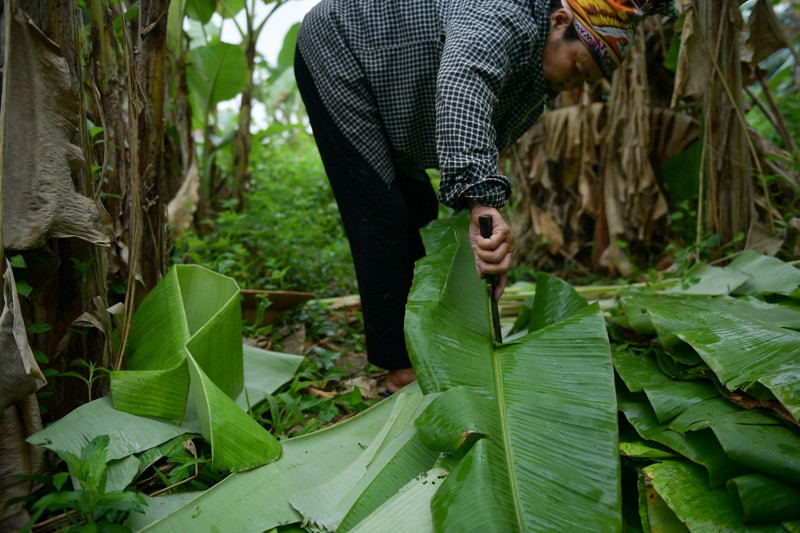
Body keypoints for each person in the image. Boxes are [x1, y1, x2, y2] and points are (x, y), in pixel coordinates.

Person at [294, 0, 675, 393]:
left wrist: (482, 228)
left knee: (420, 210)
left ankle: (427, 339)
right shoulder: (503, 13)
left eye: (586, 81)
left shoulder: (535, 79)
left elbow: (483, 139)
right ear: (559, 21)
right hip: (339, 49)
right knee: (383, 215)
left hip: (387, 82)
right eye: (578, 67)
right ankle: (400, 369)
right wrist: (481, 200)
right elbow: (464, 84)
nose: (574, 87)